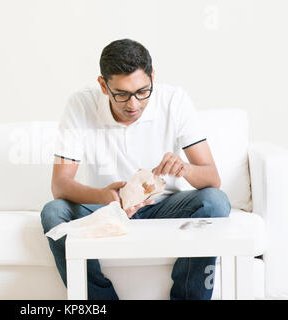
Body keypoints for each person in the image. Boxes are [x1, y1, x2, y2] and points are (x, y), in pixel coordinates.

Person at [40, 39, 231, 300]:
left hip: (165, 207)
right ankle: (101, 301)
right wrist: (104, 196)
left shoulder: (174, 100)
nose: (134, 104)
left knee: (215, 202)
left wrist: (185, 168)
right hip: (107, 208)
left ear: (153, 77)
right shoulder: (80, 105)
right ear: (103, 85)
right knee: (54, 213)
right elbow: (60, 184)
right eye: (121, 94)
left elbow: (212, 178)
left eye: (143, 91)